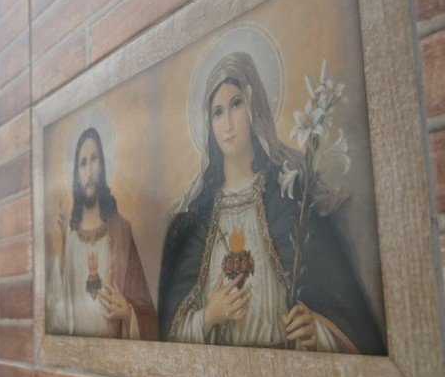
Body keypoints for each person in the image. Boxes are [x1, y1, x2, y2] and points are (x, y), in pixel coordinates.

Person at [157, 51, 385, 354]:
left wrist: (314, 328)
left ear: (254, 107)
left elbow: (340, 304)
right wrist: (208, 316)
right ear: (208, 124)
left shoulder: (289, 194)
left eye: (236, 104)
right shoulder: (193, 217)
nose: (228, 123)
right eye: (218, 112)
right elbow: (168, 336)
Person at [48, 126, 158, 339]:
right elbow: (54, 319)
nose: (88, 171)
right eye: (82, 163)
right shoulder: (68, 241)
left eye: (94, 159)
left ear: (102, 166)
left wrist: (128, 314)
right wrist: (61, 249)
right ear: (76, 175)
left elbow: (147, 314)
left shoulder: (121, 232)